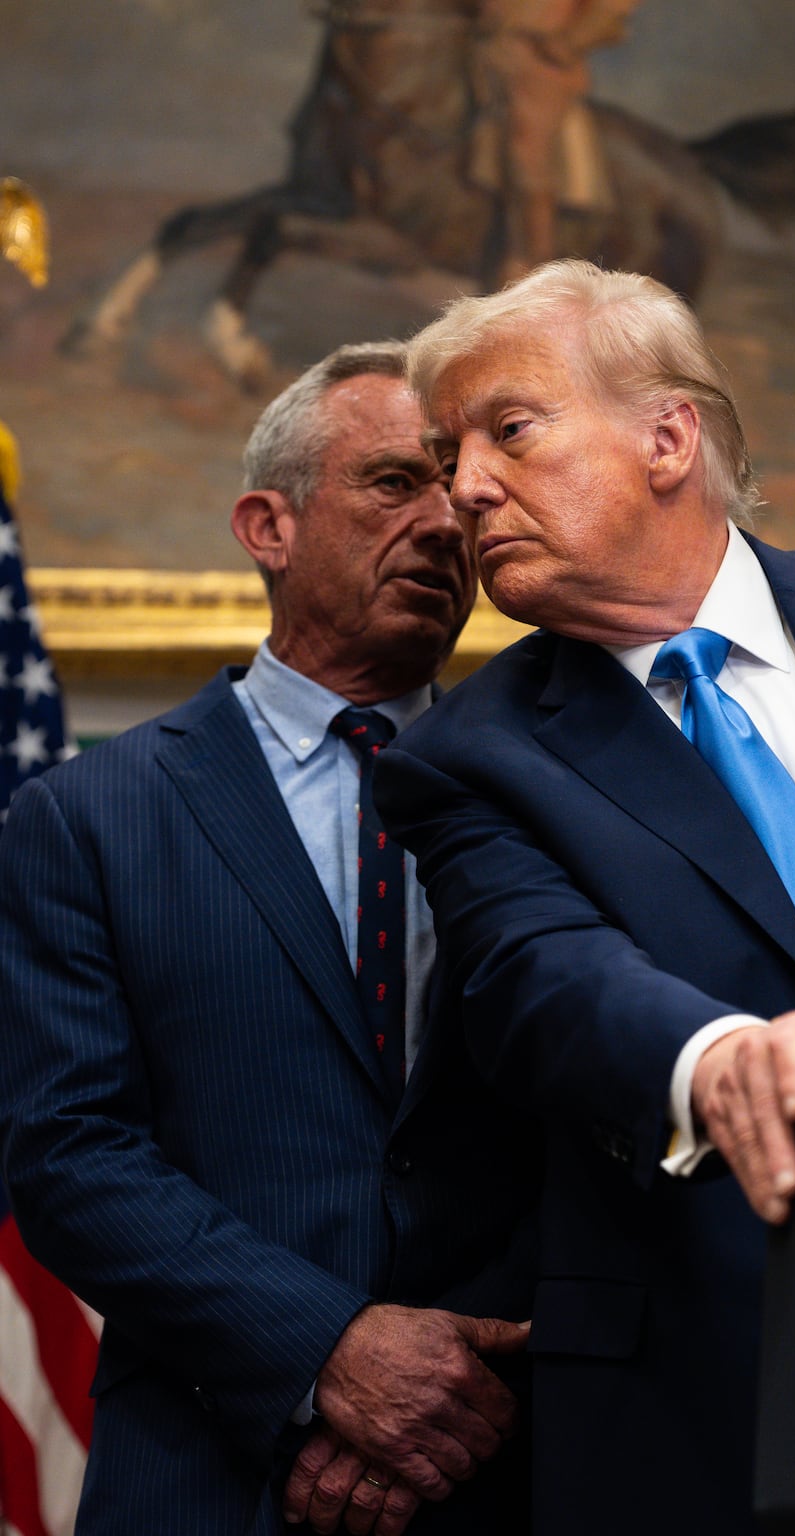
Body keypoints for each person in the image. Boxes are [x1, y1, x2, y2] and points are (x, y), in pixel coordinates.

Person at [374, 261, 795, 1535]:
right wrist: (711, 1056)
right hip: (723, 1387)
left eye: (508, 430)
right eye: (448, 456)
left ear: (667, 436)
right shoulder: (473, 756)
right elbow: (538, 976)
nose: (463, 490)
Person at [0, 342, 540, 1536]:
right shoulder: (89, 817)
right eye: (397, 483)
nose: (448, 522)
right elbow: (68, 1158)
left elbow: (593, 1132)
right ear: (268, 526)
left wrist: (448, 1389)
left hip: (496, 1465)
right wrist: (325, 1357)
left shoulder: (553, 794)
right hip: (207, 1468)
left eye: (460, 489)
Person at [469, 1, 643, 279]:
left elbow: (611, 8)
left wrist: (564, 43)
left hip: (541, 63)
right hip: (483, 44)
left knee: (527, 144)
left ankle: (531, 257)